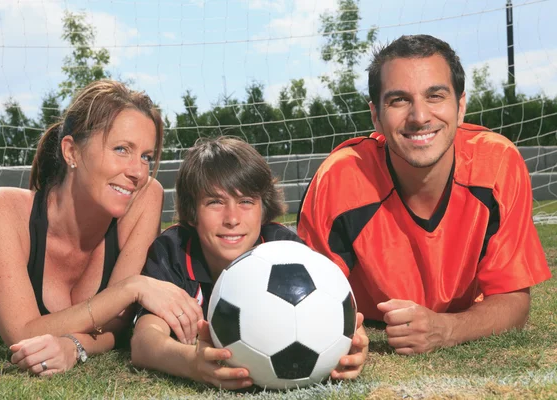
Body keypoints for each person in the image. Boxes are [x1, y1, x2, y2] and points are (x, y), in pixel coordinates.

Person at [297, 34, 551, 355]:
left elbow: (513, 298)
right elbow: (306, 299)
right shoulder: (340, 178)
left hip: (460, 314)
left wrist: (447, 329)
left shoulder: (497, 163)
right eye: (399, 100)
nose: (419, 117)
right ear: (375, 115)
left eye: (435, 96)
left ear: (460, 107)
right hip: (368, 321)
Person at [0, 80, 202, 376]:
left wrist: (73, 345)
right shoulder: (0, 208)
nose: (137, 171)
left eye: (146, 156)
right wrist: (134, 287)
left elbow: (119, 323)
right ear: (72, 152)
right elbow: (22, 334)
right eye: (121, 149)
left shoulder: (146, 196)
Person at [130, 136, 369, 389]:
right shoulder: (174, 251)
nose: (232, 218)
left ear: (263, 208)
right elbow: (144, 342)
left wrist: (353, 342)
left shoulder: (284, 250)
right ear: (192, 211)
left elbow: (334, 310)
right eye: (215, 202)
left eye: (246, 202)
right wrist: (191, 363)